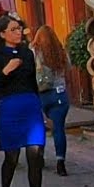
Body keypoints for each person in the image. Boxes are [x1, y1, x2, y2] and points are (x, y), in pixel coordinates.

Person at [0, 14, 48, 187]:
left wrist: (41, 109)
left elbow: (33, 82)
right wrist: (6, 70)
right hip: (8, 106)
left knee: (35, 154)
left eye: (19, 28)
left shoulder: (27, 54)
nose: (18, 32)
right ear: (3, 34)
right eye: (13, 29)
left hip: (30, 106)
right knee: (12, 157)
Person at [32, 25, 71, 176]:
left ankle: (39, 156)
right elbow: (68, 70)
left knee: (39, 127)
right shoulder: (61, 53)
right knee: (59, 129)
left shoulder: (34, 52)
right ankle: (60, 161)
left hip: (41, 95)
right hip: (59, 95)